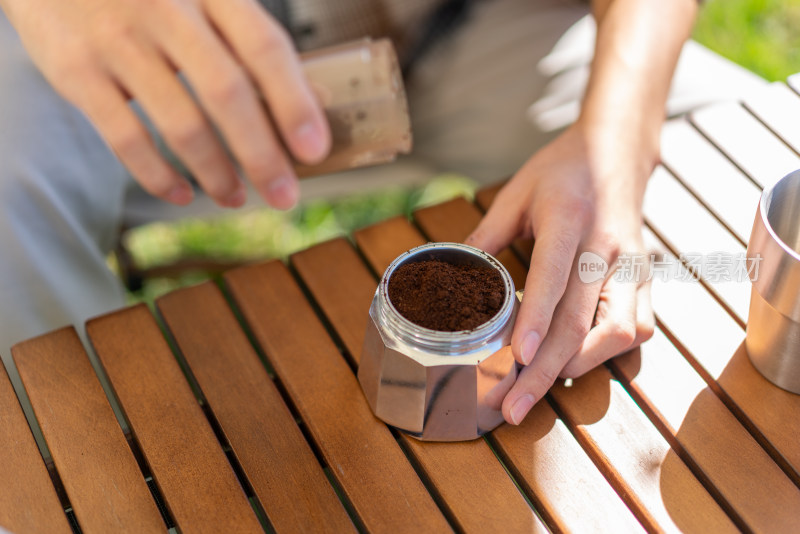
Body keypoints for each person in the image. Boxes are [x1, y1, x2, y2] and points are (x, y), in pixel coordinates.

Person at [0, 0, 765, 427]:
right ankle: (103, 475)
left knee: (750, 156)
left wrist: (618, 140)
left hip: (484, 25)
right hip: (180, 34)